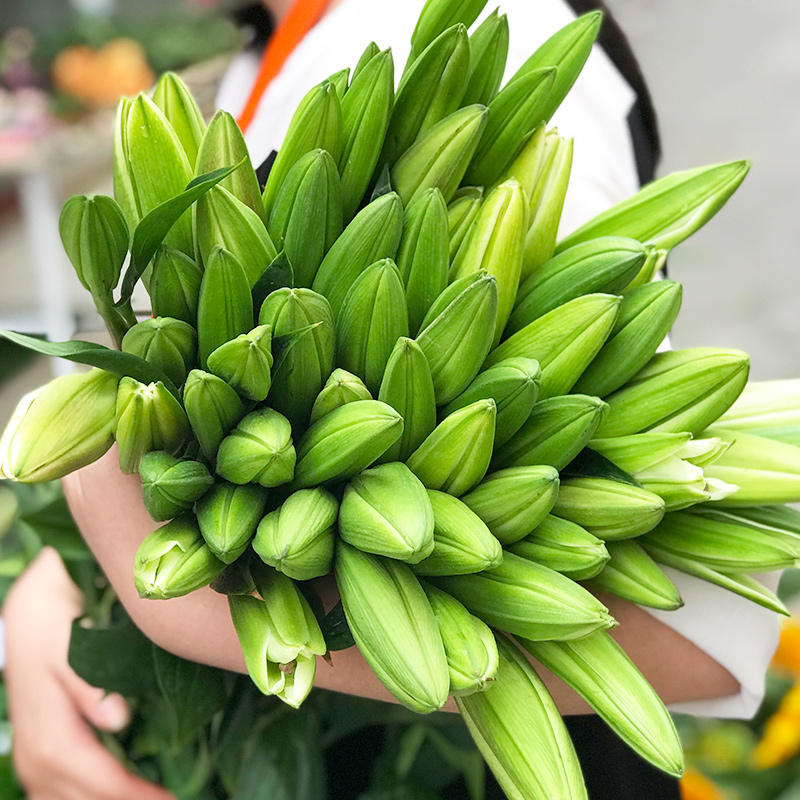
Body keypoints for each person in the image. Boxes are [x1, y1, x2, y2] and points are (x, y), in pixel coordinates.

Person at [1, 1, 781, 798]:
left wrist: (182, 614)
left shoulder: (477, 33)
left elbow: (698, 629)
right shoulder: (282, 45)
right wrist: (57, 584)